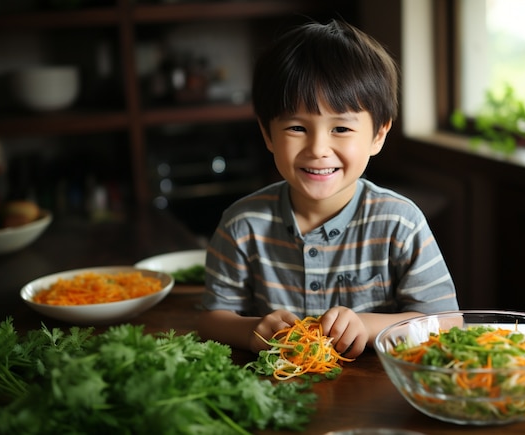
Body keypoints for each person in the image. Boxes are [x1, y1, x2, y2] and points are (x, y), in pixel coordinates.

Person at [196, 19, 458, 359]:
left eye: (341, 128)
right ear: (267, 134)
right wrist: (251, 330)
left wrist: (367, 326)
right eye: (296, 127)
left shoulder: (400, 223)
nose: (318, 148)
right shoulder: (242, 224)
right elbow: (211, 319)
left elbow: (447, 322)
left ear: (378, 135)